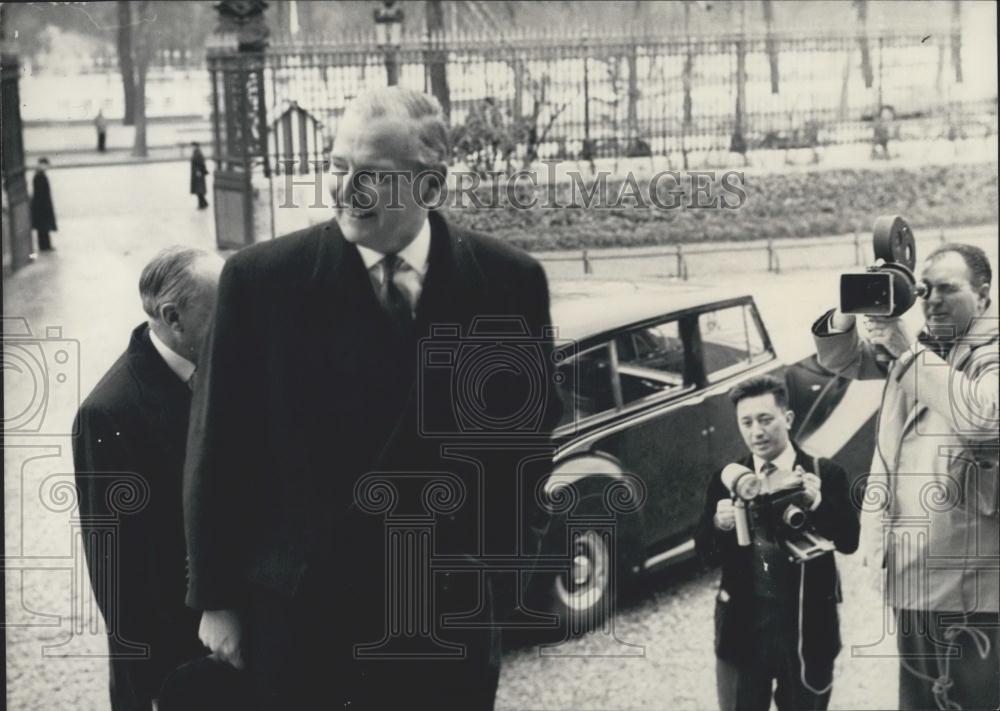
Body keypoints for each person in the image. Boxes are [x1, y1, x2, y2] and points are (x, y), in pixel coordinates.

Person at [183, 86, 561, 710]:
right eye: (337, 168)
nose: (346, 191)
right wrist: (217, 599)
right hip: (304, 619)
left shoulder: (508, 282)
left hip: (445, 618)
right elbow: (216, 446)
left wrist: (500, 576)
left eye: (373, 176)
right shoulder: (261, 283)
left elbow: (526, 445)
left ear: (431, 187)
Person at [812, 242, 999, 711]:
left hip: (971, 584)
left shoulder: (988, 355)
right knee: (919, 700)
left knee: (968, 700)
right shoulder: (926, 348)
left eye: (948, 289)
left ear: (984, 295)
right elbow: (841, 359)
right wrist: (853, 303)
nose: (933, 300)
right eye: (925, 289)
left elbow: (985, 420)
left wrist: (906, 352)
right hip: (915, 571)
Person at [72, 246, 225, 711]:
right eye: (222, 310)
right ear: (173, 317)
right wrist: (156, 687)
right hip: (175, 665)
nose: (236, 321)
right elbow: (119, 577)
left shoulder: (220, 364)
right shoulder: (109, 412)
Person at [696, 375, 859, 711]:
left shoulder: (825, 474)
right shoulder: (728, 478)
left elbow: (849, 541)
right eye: (746, 422)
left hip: (807, 631)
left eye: (765, 419)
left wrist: (815, 503)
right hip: (744, 629)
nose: (756, 432)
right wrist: (718, 523)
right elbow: (704, 554)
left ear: (787, 418)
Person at [30, 157, 57, 252]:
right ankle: (45, 246)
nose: (46, 167)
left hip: (40, 205)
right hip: (42, 205)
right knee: (44, 227)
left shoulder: (38, 175)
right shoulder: (40, 176)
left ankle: (45, 245)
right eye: (46, 165)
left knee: (42, 227)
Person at [190, 143, 209, 209]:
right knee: (199, 190)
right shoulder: (196, 153)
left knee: (199, 190)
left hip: (198, 174)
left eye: (193, 146)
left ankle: (202, 204)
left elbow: (201, 163)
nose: (192, 147)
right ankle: (203, 203)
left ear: (196, 146)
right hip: (197, 173)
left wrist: (200, 171)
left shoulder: (198, 153)